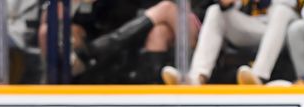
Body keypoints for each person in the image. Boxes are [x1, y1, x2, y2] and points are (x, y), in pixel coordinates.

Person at [40, 0, 200, 83]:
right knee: (159, 30)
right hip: (96, 55)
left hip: (185, 34)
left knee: (164, 19)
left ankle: (189, 76)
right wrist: (79, 4)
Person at [161, 0, 300, 86]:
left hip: (289, 31)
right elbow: (234, 5)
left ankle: (258, 76)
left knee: (281, 11)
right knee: (215, 11)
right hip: (255, 28)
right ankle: (196, 78)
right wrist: (225, 3)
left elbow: (292, 4)